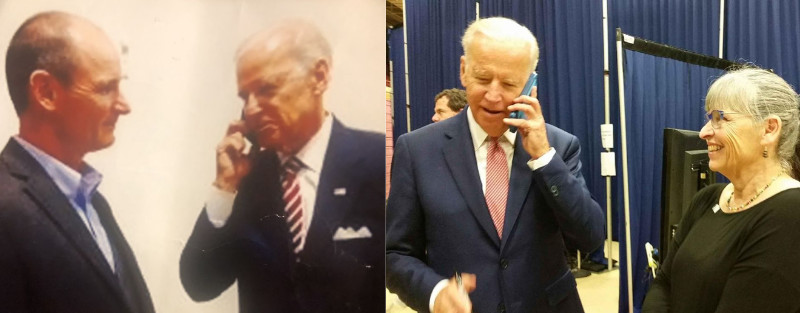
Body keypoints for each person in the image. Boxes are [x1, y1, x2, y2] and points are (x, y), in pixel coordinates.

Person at [386, 17, 605, 313]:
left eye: (509, 83)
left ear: (531, 85)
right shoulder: (417, 150)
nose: (493, 95)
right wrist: (435, 292)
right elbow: (395, 254)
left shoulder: (560, 145)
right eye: (482, 78)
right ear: (464, 70)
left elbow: (589, 237)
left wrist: (544, 158)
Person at [179, 19, 384, 313]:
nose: (251, 109)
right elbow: (199, 284)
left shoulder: (375, 159)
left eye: (265, 89)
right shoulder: (248, 181)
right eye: (245, 97)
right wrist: (224, 188)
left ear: (319, 76)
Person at [0, 11, 155, 313]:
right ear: (46, 92)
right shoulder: (5, 206)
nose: (124, 105)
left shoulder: (93, 202)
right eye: (105, 88)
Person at [643, 68, 800, 312]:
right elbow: (664, 282)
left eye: (721, 118)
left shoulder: (790, 213)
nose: (704, 132)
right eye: (709, 118)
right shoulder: (708, 198)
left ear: (769, 129)